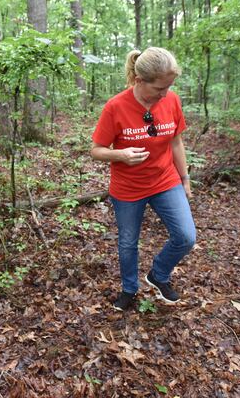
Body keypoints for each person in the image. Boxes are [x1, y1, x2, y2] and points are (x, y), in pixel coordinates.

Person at [91, 47, 196, 311]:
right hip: (128, 188)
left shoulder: (171, 101)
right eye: (160, 88)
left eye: (169, 87)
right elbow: (96, 150)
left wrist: (185, 178)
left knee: (185, 237)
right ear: (140, 81)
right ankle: (129, 289)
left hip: (165, 181)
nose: (165, 93)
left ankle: (158, 275)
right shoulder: (115, 107)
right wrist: (121, 155)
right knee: (128, 242)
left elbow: (175, 141)